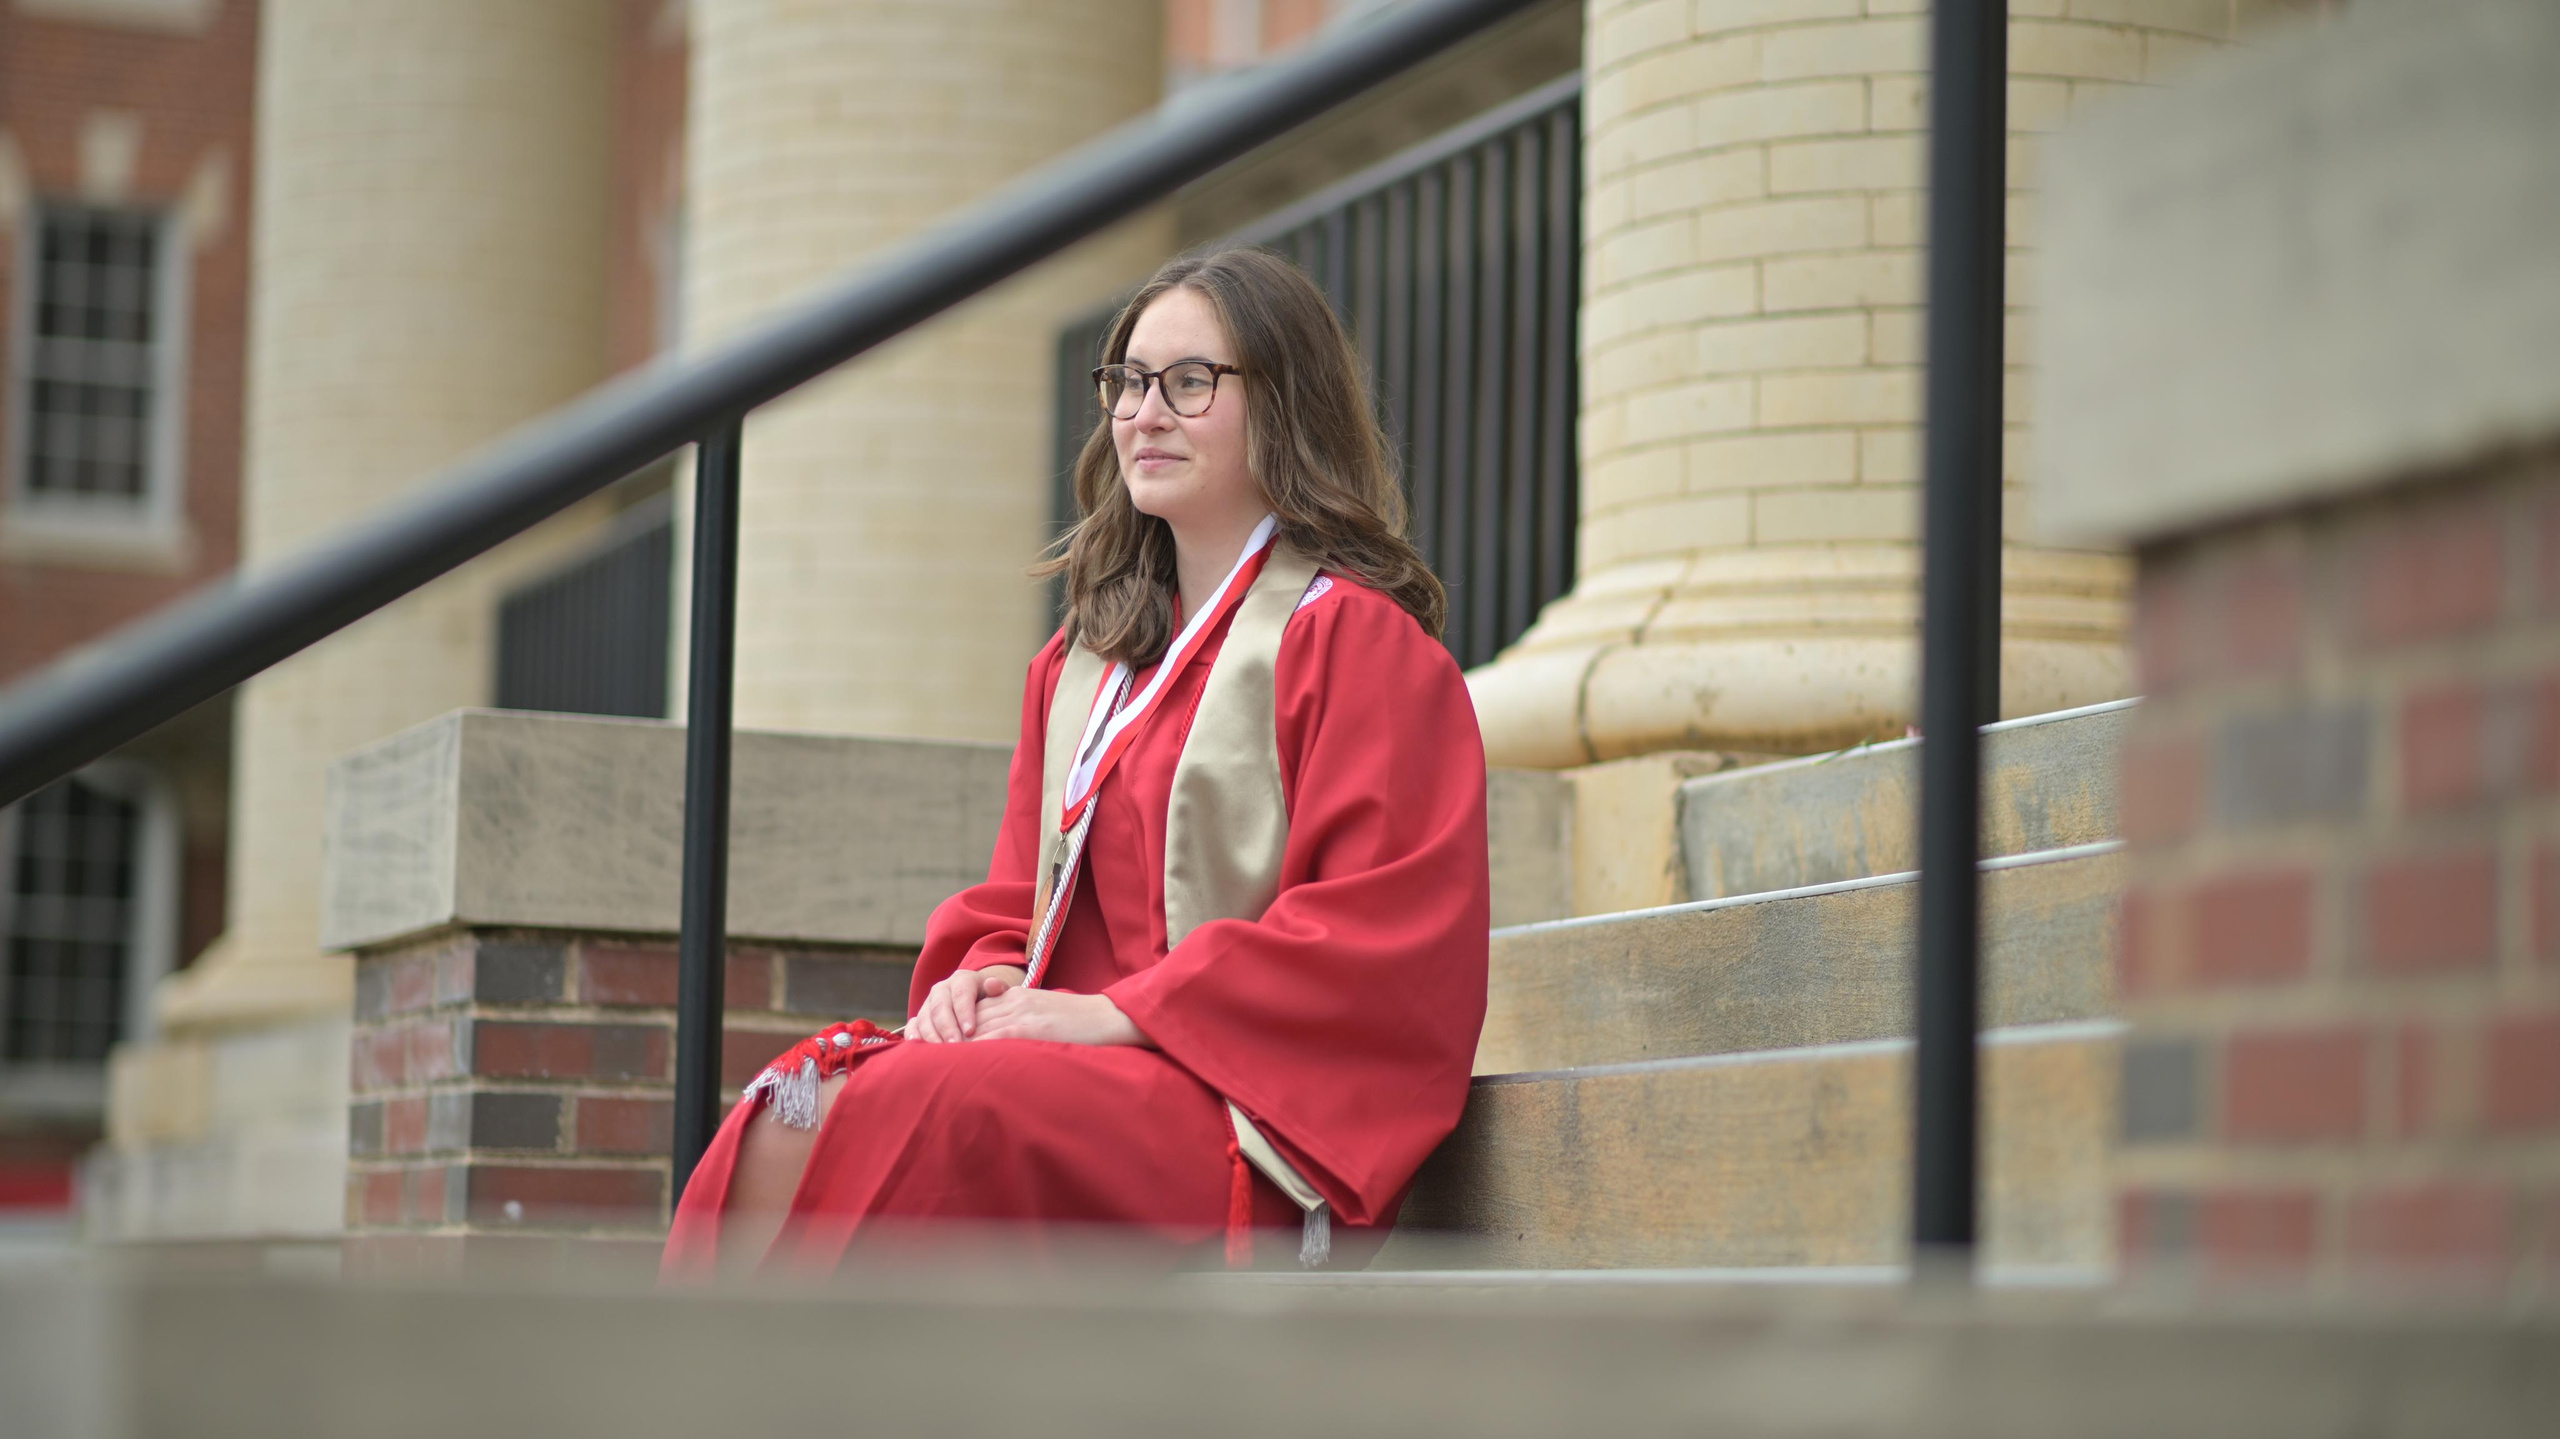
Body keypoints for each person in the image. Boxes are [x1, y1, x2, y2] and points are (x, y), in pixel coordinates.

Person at [661, 248, 1490, 1277]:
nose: (1145, 412)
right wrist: (984, 975)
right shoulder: (1083, 663)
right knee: (789, 1106)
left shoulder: (1359, 650)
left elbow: (1378, 938)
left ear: (1285, 404)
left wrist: (1115, 1011)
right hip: (1069, 1079)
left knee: (939, 1103)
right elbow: (1018, 895)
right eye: (1128, 382)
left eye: (1191, 382)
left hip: (1244, 1117)